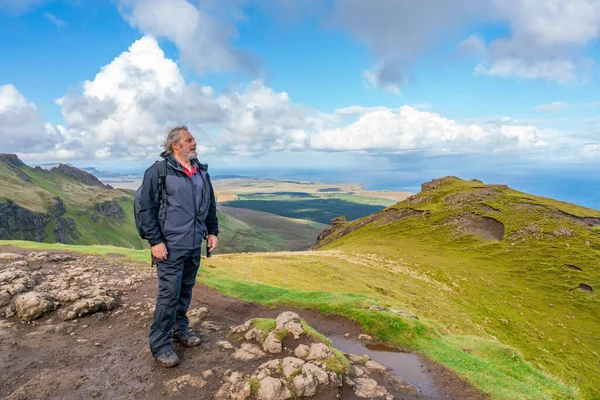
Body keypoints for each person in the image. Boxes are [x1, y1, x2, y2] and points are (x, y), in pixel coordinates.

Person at [138, 125, 218, 367]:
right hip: (170, 246)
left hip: (193, 244)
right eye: (189, 140)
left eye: (193, 140)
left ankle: (179, 330)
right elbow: (146, 209)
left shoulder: (201, 172)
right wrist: (155, 241)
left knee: (185, 291)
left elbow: (209, 204)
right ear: (175, 144)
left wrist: (212, 231)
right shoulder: (158, 171)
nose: (194, 143)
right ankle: (160, 346)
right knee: (169, 295)